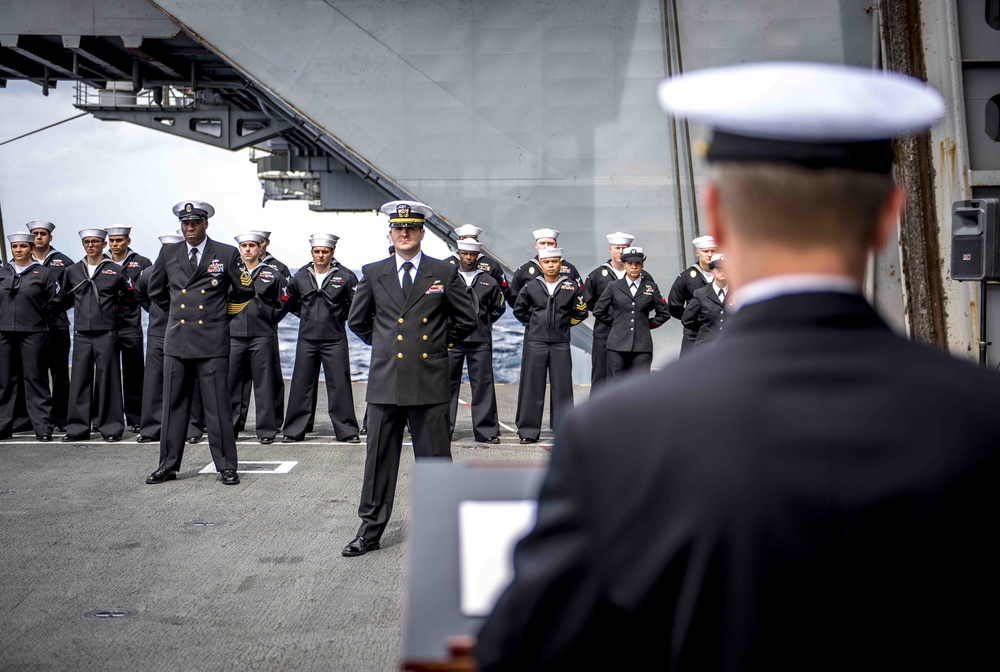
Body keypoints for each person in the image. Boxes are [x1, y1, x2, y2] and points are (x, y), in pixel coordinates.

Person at [475, 63, 997, 671]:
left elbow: (525, 653)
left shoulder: (616, 435)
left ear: (717, 215)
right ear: (888, 215)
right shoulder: (982, 420)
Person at [343, 200, 476, 556]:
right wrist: (384, 344)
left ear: (421, 233)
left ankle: (442, 529)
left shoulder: (442, 273)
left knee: (434, 460)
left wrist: (435, 346)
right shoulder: (373, 272)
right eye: (398, 228)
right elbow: (358, 321)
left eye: (412, 228)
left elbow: (466, 320)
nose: (404, 233)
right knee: (378, 462)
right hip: (386, 380)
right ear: (390, 232)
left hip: (428, 380)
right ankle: (370, 531)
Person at [144, 200, 254, 486]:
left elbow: (245, 291)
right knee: (172, 406)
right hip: (178, 339)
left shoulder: (226, 253)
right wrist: (177, 313)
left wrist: (220, 317)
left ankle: (227, 466)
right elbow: (155, 290)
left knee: (218, 407)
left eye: (195, 223)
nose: (189, 228)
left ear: (206, 224)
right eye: (185, 224)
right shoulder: (168, 252)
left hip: (212, 341)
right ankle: (167, 465)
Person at [281, 233, 360, 444]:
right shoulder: (300, 277)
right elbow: (291, 303)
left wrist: (335, 318)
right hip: (306, 339)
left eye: (325, 252)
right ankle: (294, 431)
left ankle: (347, 431)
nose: (321, 255)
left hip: (334, 339)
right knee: (301, 385)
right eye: (317, 252)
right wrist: (307, 316)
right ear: (312, 253)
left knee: (340, 385)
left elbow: (354, 307)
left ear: (332, 252)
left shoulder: (346, 276)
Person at [60, 228, 132, 442]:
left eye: (95, 242)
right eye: (87, 242)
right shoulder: (73, 271)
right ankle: (77, 428)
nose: (90, 245)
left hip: (106, 333)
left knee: (108, 380)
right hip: (81, 333)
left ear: (104, 244)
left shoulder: (115, 270)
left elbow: (129, 296)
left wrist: (114, 318)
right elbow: (64, 298)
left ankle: (111, 428)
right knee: (79, 381)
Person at [512, 247, 588, 444]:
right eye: (547, 262)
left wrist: (563, 325)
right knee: (532, 387)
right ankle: (528, 432)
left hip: (560, 344)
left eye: (555, 261)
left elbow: (581, 312)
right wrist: (535, 324)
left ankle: (564, 429)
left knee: (562, 388)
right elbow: (519, 310)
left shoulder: (570, 286)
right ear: (541, 264)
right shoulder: (531, 286)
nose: (551, 265)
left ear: (561, 263)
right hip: (536, 342)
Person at [228, 231, 290, 444]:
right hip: (234, 335)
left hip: (261, 335)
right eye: (244, 245)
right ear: (239, 249)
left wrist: (269, 319)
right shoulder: (231, 274)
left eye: (252, 246)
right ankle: (232, 427)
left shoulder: (272, 275)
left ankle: (266, 430)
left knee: (264, 384)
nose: (247, 249)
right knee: (233, 383)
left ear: (259, 248)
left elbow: (284, 301)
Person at [0, 231, 60, 441]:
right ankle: (3, 426)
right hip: (4, 333)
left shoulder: (42, 273)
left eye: (23, 247)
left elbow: (54, 301)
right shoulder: (2, 272)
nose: (18, 250)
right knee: (5, 381)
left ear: (31, 249)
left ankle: (43, 427)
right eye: (15, 247)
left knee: (36, 379)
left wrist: (36, 315)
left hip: (34, 333)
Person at [447, 239, 506, 444]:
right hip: (452, 339)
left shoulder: (488, 281)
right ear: (459, 254)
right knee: (446, 385)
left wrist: (483, 322)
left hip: (480, 339)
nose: (468, 258)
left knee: (483, 385)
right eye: (464, 254)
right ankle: (442, 430)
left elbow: (499, 307)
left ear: (477, 256)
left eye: (472, 255)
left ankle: (487, 431)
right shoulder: (449, 279)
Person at [592, 246, 670, 381]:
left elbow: (664, 313)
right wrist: (616, 323)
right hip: (617, 345)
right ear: (624, 264)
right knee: (615, 385)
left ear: (642, 265)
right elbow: (598, 310)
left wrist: (647, 324)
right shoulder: (614, 286)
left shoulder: (650, 287)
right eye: (630, 264)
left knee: (639, 386)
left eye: (638, 263)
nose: (634, 267)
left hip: (642, 345)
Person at [134, 233, 183, 443]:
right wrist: (158, 311)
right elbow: (142, 295)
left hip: (183, 331)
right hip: (158, 331)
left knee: (186, 380)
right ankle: (151, 428)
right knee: (153, 381)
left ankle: (189, 427)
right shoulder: (148, 273)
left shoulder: (187, 273)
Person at [105, 225, 152, 432]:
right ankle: (104, 418)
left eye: (119, 240)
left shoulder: (141, 263)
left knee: (134, 372)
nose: (115, 244)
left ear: (128, 241)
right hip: (105, 325)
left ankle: (136, 417)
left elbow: (148, 293)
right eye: (112, 241)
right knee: (107, 373)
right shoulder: (100, 262)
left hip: (130, 324)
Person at [29, 220, 73, 430]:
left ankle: (61, 417)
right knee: (33, 373)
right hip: (29, 328)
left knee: (60, 373)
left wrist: (51, 307)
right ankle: (34, 417)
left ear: (50, 237)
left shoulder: (63, 262)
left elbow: (71, 294)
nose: (39, 237)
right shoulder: (20, 262)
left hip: (57, 325)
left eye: (43, 234)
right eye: (35, 234)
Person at [583, 231, 636, 388]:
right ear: (610, 249)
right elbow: (587, 301)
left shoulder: (640, 276)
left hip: (631, 335)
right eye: (617, 247)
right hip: (605, 333)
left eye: (624, 248)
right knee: (601, 377)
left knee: (629, 378)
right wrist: (608, 316)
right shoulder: (597, 275)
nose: (620, 252)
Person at [667, 234, 717, 358]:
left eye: (713, 251)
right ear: (697, 253)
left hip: (718, 333)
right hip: (694, 333)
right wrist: (693, 319)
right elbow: (674, 305)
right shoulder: (686, 277)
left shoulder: (726, 275)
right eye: (705, 251)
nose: (709, 254)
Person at [507, 229, 583, 304]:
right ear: (536, 245)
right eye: (542, 243)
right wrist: (531, 315)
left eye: (550, 243)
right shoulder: (524, 270)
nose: (546, 246)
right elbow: (513, 298)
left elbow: (581, 295)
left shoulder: (569, 269)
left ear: (556, 245)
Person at [680, 252, 732, 350]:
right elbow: (687, 319)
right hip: (706, 347)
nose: (722, 271)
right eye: (718, 268)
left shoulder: (737, 292)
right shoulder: (701, 294)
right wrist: (705, 329)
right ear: (712, 270)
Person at [445, 224, 510, 299]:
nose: (468, 242)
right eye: (465, 239)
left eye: (472, 239)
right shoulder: (446, 264)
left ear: (477, 241)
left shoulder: (491, 265)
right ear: (459, 242)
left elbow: (504, 291)